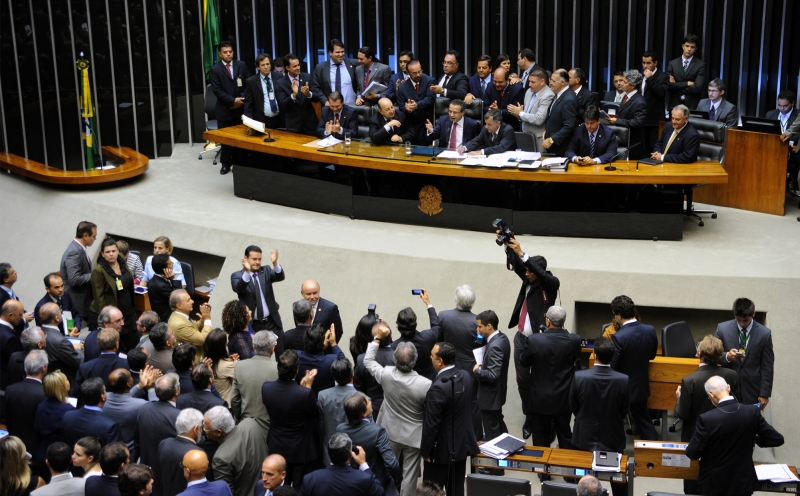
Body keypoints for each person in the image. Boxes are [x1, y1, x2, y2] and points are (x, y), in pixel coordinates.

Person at [685, 376, 784, 496]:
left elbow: (693, 453)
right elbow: (777, 439)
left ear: (711, 395)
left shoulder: (707, 419)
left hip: (714, 483)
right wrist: (754, 439)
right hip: (742, 482)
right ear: (728, 388)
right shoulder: (751, 412)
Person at [503, 237, 559, 440]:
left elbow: (537, 271)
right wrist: (510, 247)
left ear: (538, 272)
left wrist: (523, 253)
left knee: (540, 381)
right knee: (522, 380)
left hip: (540, 341)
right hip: (521, 339)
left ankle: (541, 417)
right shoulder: (528, 277)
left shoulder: (550, 283)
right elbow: (519, 265)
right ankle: (529, 415)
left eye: (529, 271)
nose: (526, 274)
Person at [363, 326, 430, 496]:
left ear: (395, 358)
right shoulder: (425, 384)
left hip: (390, 431)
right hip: (413, 436)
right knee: (410, 476)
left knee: (387, 469)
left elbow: (368, 361)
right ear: (414, 361)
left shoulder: (386, 374)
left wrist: (377, 338)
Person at [675, 335, 740, 494]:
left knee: (694, 487)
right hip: (725, 440)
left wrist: (678, 398)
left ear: (699, 354)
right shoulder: (731, 376)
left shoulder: (689, 380)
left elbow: (682, 414)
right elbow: (738, 406)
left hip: (696, 440)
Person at [519, 305, 581, 453]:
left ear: (548, 321)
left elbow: (523, 361)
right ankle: (568, 472)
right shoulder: (574, 340)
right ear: (563, 321)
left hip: (539, 396)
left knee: (540, 437)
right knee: (565, 434)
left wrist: (540, 337)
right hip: (564, 396)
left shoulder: (535, 340)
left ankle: (543, 473)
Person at [421, 343, 479, 496]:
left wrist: (425, 450)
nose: (430, 358)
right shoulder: (466, 376)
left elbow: (431, 424)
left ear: (440, 361)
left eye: (432, 356)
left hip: (440, 452)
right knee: (456, 488)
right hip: (462, 446)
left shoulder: (437, 388)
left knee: (432, 491)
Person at [261, 350, 318, 489]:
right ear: (297, 370)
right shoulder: (304, 394)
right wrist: (308, 389)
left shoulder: (266, 388)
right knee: (298, 487)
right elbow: (314, 417)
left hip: (276, 444)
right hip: (299, 448)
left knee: (277, 486)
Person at [436, 285, 482, 440]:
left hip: (448, 367)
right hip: (470, 369)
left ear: (456, 300)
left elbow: (439, 340)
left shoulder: (443, 316)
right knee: (472, 403)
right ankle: (475, 437)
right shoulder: (477, 323)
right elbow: (481, 346)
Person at [609, 295, 658, 440]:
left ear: (618, 315)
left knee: (614, 423)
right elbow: (652, 356)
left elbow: (612, 366)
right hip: (641, 385)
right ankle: (651, 455)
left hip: (622, 389)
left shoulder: (619, 337)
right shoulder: (650, 330)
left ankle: (618, 457)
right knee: (644, 422)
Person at [570, 336, 630, 455]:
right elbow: (624, 410)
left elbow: (573, 405)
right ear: (612, 356)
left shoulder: (579, 377)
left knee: (583, 472)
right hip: (612, 436)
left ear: (595, 355)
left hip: (584, 436)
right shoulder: (623, 380)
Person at [336, 393, 402, 496]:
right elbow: (391, 463)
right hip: (376, 482)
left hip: (351, 483)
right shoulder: (378, 432)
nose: (370, 402)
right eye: (367, 403)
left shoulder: (340, 429)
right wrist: (397, 480)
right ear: (363, 413)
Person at [714, 297, 773, 408]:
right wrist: (727, 356)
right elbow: (712, 355)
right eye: (738, 319)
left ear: (753, 314)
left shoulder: (764, 334)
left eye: (745, 320)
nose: (741, 323)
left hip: (752, 390)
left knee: (749, 424)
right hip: (727, 389)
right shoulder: (722, 329)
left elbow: (767, 366)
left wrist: (764, 394)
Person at [205, 406, 268, 496]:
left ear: (219, 432)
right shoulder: (250, 423)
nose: (205, 432)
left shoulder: (221, 458)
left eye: (206, 429)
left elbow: (225, 492)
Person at [134, 373, 181, 491]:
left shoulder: (143, 409)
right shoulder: (179, 417)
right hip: (169, 473)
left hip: (146, 467)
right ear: (177, 391)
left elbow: (137, 441)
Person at [90, 238, 138, 351]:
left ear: (118, 251)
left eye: (113, 251)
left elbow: (129, 280)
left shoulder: (121, 260)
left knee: (133, 344)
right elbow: (99, 299)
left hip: (128, 312)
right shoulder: (99, 271)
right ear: (102, 253)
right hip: (114, 316)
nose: (111, 254)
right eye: (107, 252)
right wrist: (108, 320)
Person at [209, 41, 249, 174]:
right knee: (226, 140)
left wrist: (241, 99)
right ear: (220, 54)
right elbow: (217, 90)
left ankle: (240, 164)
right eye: (225, 52)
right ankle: (225, 164)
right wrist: (232, 101)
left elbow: (248, 84)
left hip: (241, 109)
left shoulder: (241, 65)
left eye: (230, 52)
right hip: (224, 110)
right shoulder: (215, 69)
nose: (228, 54)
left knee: (240, 139)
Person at [300, 432, 384, 496]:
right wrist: (363, 464)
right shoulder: (365, 479)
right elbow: (380, 493)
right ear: (351, 454)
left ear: (328, 453)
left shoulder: (310, 479)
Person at [5, 350, 47, 474]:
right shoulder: (45, 394)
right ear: (43, 368)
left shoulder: (10, 390)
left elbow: (8, 420)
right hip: (38, 449)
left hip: (15, 446)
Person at [472, 310, 511, 442]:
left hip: (490, 399)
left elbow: (493, 375)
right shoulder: (502, 338)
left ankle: (497, 459)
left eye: (480, 326)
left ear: (489, 326)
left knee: (493, 436)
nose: (478, 330)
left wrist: (477, 372)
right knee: (499, 426)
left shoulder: (495, 346)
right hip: (496, 396)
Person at [231, 245, 285, 334]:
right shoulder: (237, 276)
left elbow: (280, 277)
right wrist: (247, 272)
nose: (257, 262)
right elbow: (239, 288)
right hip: (253, 325)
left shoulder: (265, 270)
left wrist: (275, 264)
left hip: (272, 323)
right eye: (254, 259)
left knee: (279, 347)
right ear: (246, 258)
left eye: (259, 259)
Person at [231, 330, 278, 428]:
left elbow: (234, 399)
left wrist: (240, 417)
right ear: (272, 349)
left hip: (245, 423)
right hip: (270, 425)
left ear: (253, 346)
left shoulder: (239, 366)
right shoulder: (278, 368)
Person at [389, 290, 440, 381]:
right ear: (416, 324)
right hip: (428, 381)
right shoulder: (428, 337)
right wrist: (428, 303)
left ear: (398, 327)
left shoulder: (393, 347)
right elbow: (436, 326)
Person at [317, 357, 359, 466]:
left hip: (329, 452)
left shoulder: (322, 396)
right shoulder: (362, 399)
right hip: (353, 453)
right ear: (352, 373)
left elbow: (321, 425)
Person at [62, 377, 122, 447]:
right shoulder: (110, 426)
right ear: (102, 396)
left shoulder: (68, 416)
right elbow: (114, 454)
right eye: (105, 391)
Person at [103, 368, 148, 461]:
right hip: (130, 454)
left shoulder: (103, 399)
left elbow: (123, 396)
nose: (132, 378)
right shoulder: (141, 405)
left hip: (107, 450)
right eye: (130, 377)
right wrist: (151, 388)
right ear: (129, 384)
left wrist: (140, 386)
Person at [70, 328, 129, 398]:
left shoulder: (85, 367)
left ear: (99, 344)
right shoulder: (127, 364)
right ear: (117, 344)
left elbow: (75, 393)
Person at [159, 408, 205, 496]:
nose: (202, 431)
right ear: (195, 429)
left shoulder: (164, 443)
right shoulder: (197, 453)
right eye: (201, 428)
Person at [60, 221, 97, 328]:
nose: (95, 239)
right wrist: (94, 275)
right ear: (85, 236)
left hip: (80, 303)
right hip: (73, 304)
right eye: (94, 236)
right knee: (71, 331)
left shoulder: (79, 248)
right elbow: (74, 279)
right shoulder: (74, 252)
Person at [354, 320, 393, 420]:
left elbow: (359, 389)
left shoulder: (361, 359)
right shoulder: (398, 358)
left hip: (370, 411)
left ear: (373, 339)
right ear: (391, 337)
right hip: (393, 410)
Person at [34, 371, 75, 464]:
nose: (69, 381)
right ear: (60, 386)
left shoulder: (41, 405)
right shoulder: (69, 410)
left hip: (42, 451)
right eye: (66, 380)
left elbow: (37, 428)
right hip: (59, 455)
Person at [508, 68, 554, 151]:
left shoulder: (548, 95)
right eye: (529, 81)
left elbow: (539, 119)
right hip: (525, 135)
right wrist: (518, 115)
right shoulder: (529, 92)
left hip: (538, 138)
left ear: (542, 82)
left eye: (533, 82)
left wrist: (521, 114)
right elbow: (525, 114)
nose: (529, 84)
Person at [275, 53, 320, 136]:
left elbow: (317, 97)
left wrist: (308, 94)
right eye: (295, 66)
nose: (298, 68)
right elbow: (283, 104)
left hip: (310, 123)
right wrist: (294, 95)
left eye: (298, 65)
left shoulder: (307, 77)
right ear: (287, 68)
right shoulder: (280, 83)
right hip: (293, 125)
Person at [606, 70, 647, 159]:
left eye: (625, 82)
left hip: (632, 142)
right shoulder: (626, 96)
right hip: (621, 139)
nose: (621, 84)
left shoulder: (639, 101)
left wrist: (618, 121)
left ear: (632, 85)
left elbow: (638, 122)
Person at [38, 302, 82, 383]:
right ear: (56, 318)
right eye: (60, 312)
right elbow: (78, 362)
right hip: (62, 381)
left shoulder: (39, 332)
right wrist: (78, 349)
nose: (61, 314)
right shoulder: (61, 341)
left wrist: (69, 338)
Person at [297, 324, 346, 393]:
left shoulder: (296, 356)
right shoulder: (331, 360)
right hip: (325, 400)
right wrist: (334, 344)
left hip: (303, 397)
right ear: (323, 342)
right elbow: (344, 363)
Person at [395, 60, 436, 143]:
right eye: (414, 73)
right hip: (411, 126)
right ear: (408, 72)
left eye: (419, 71)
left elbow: (430, 99)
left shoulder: (430, 81)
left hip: (426, 123)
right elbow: (401, 107)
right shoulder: (402, 87)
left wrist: (416, 105)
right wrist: (407, 108)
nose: (418, 75)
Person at [169, 289, 213, 363]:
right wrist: (207, 319)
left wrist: (203, 319)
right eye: (188, 300)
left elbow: (194, 326)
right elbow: (204, 339)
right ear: (179, 306)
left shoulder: (180, 316)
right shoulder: (180, 325)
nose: (192, 301)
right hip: (194, 363)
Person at [311, 39, 359, 106]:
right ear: (330, 52)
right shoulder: (320, 68)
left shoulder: (354, 64)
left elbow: (360, 84)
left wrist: (359, 96)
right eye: (338, 52)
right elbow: (316, 87)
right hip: (331, 107)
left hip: (351, 106)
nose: (341, 54)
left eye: (342, 52)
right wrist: (325, 101)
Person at [666, 33, 707, 110]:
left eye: (692, 47)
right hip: (674, 104)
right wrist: (687, 83)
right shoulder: (672, 63)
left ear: (696, 49)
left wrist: (676, 86)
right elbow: (668, 85)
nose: (689, 49)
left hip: (691, 105)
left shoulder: (700, 65)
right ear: (683, 46)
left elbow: (698, 88)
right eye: (687, 46)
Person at [542, 69, 578, 155]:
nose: (550, 83)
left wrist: (552, 139)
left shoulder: (569, 99)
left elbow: (569, 126)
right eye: (550, 80)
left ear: (563, 82)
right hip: (553, 146)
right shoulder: (558, 95)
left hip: (562, 147)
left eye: (553, 81)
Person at [640, 51, 670, 153]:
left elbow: (660, 92)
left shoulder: (663, 76)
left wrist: (650, 78)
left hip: (654, 120)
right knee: (642, 149)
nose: (645, 66)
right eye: (643, 63)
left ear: (655, 63)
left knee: (653, 148)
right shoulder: (641, 76)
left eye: (648, 63)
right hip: (641, 118)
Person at [769, 91, 800, 192]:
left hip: (793, 150)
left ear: (792, 103)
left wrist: (788, 138)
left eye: (785, 106)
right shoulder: (771, 114)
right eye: (779, 105)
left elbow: (797, 133)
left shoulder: (797, 114)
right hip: (772, 148)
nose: (782, 108)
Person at [244, 53, 283, 130]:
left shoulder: (279, 77)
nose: (266, 67)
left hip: (280, 119)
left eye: (268, 64)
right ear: (258, 67)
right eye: (263, 65)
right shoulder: (251, 82)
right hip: (262, 120)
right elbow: (248, 105)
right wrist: (250, 123)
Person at [147, 254, 183, 324]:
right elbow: (179, 298)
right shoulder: (162, 286)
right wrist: (173, 279)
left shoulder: (154, 280)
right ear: (165, 269)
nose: (172, 263)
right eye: (170, 263)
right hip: (166, 320)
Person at [1, 300, 24, 389]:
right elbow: (16, 365)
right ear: (10, 315)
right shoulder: (10, 338)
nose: (22, 318)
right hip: (7, 382)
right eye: (20, 315)